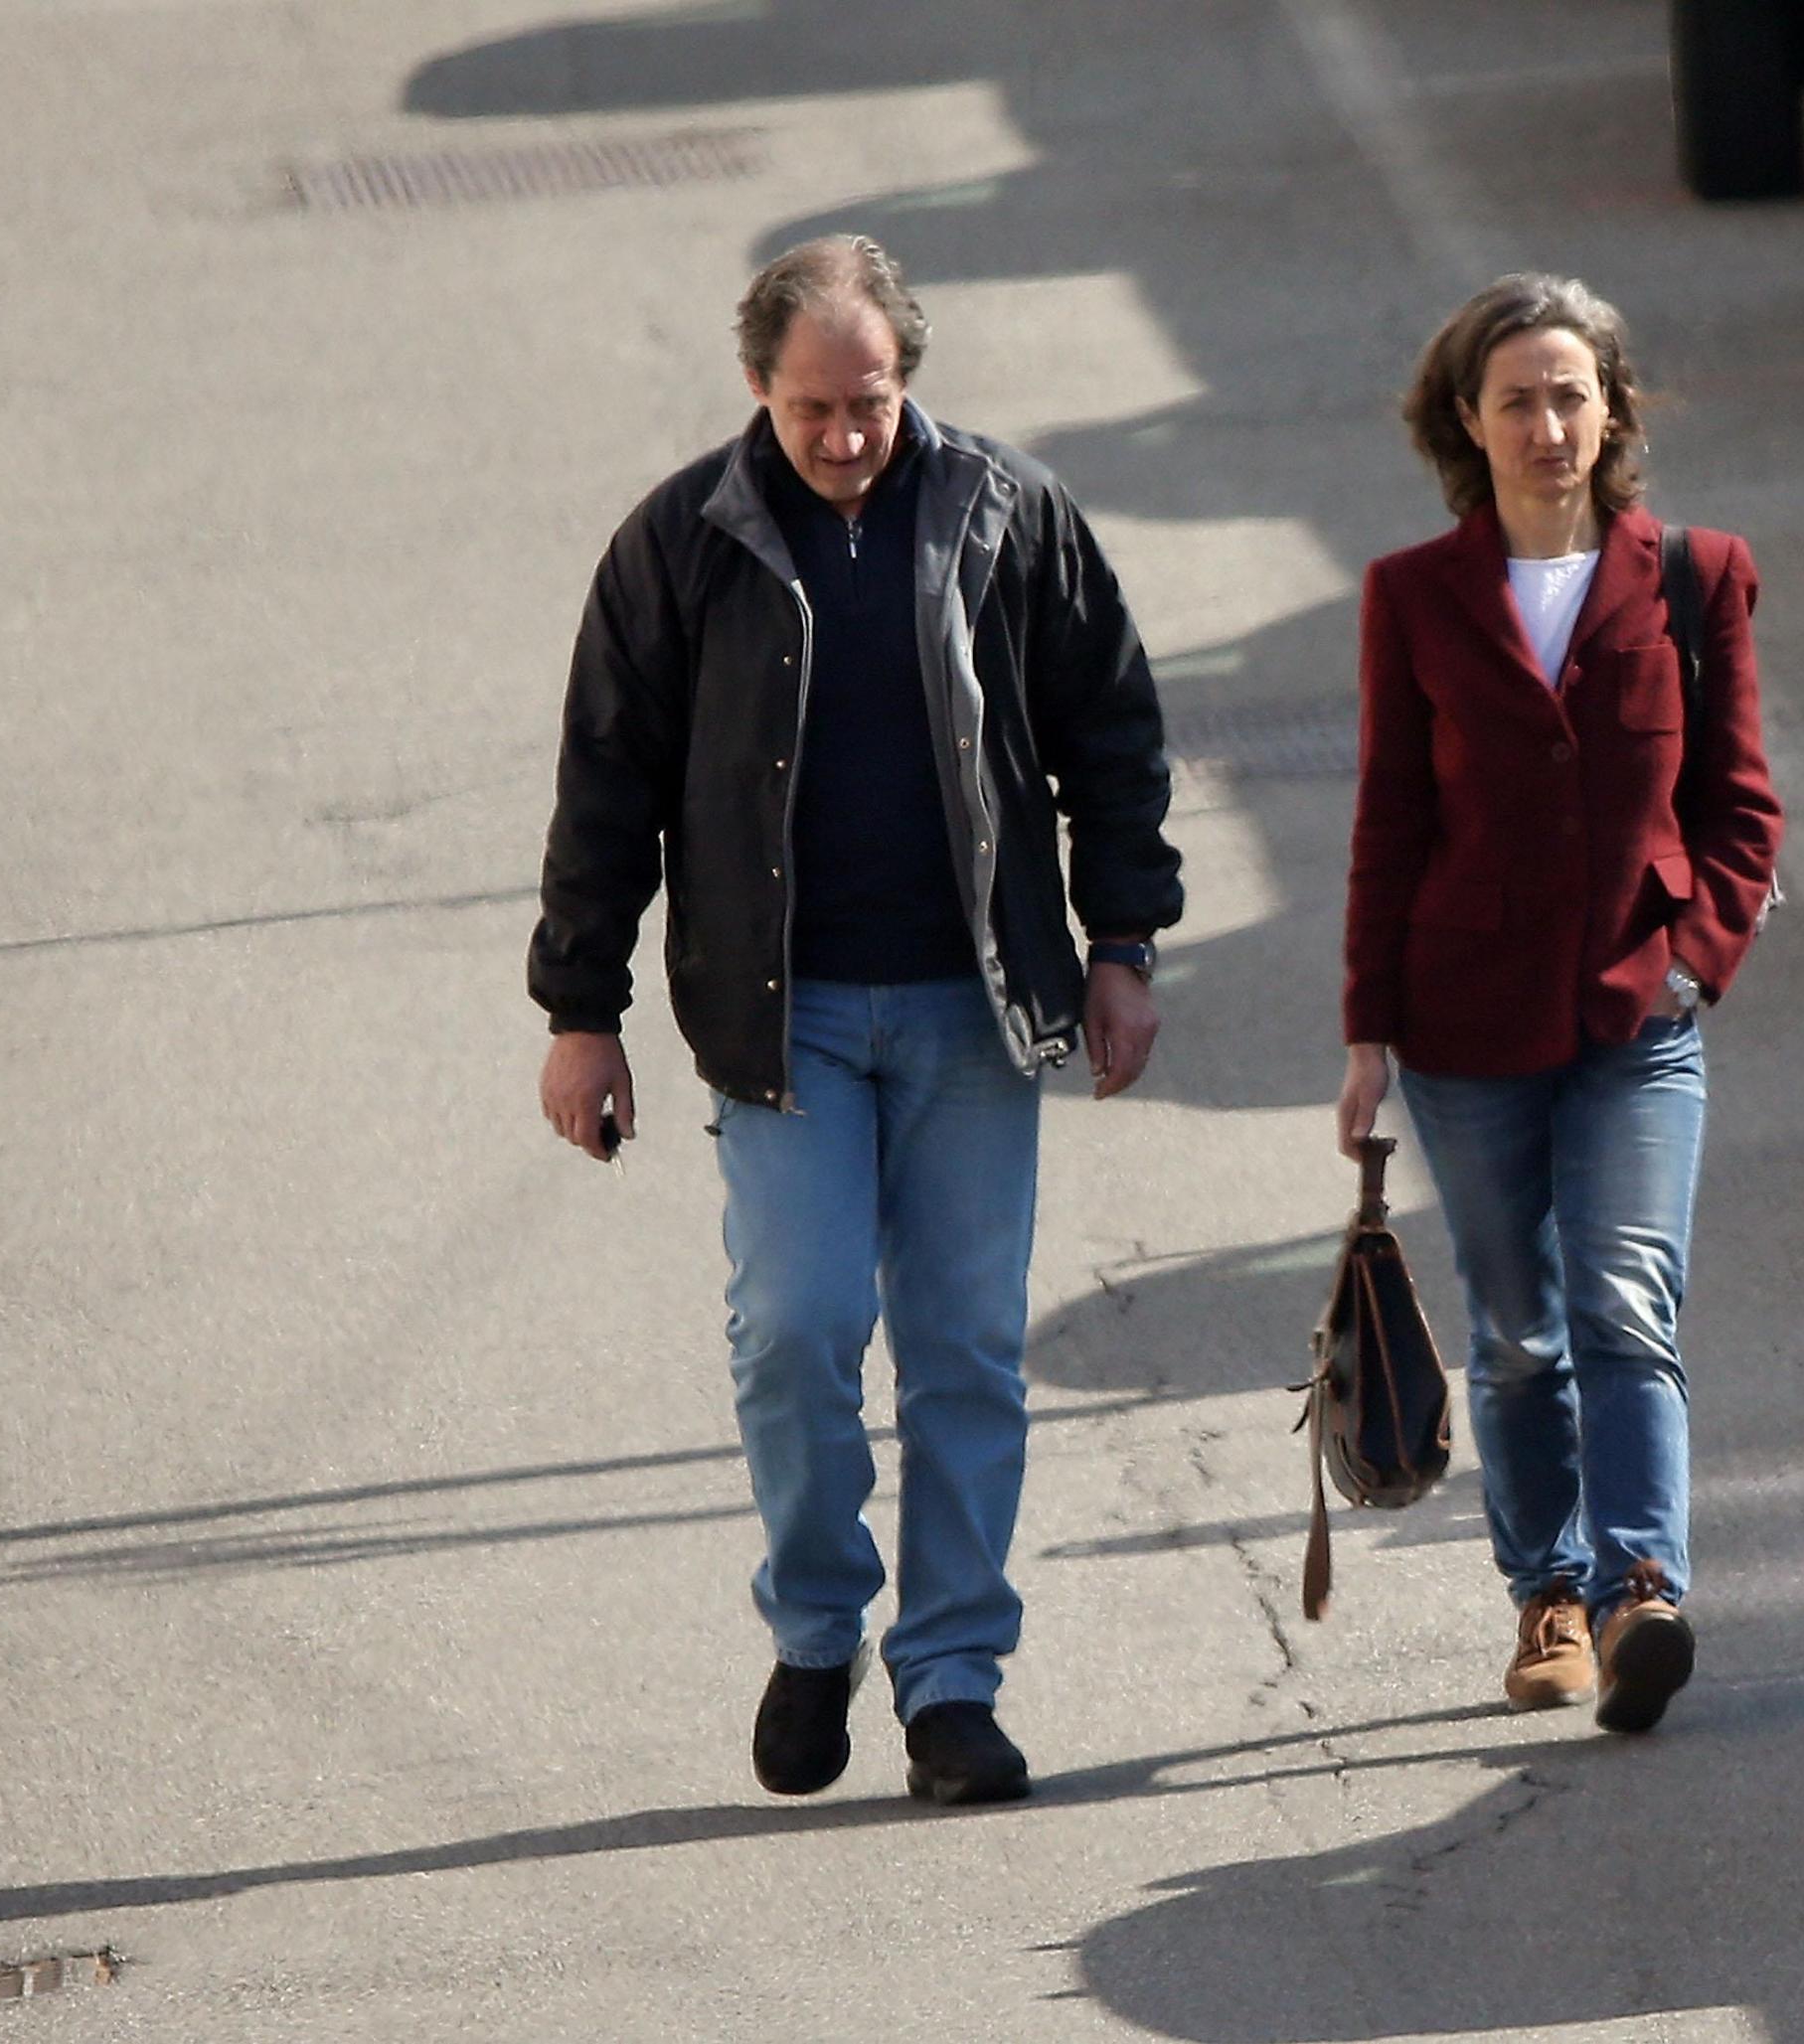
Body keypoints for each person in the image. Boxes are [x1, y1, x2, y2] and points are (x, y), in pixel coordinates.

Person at [530, 235, 1183, 1807]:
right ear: (758, 387)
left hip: (973, 1011)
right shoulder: (682, 543)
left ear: (909, 378)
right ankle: (818, 1627)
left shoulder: (1009, 514)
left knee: (965, 1353)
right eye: (811, 406)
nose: (841, 435)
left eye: (869, 401)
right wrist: (581, 1010)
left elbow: (1112, 732)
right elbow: (607, 782)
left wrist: (1122, 944)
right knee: (798, 1330)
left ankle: (952, 1679)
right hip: (786, 1024)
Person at [1335, 273, 1781, 1734]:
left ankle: (1642, 1583)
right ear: (1467, 422)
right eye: (1517, 400)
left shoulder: (1698, 575)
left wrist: (1695, 954)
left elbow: (1741, 805)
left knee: (1623, 1302)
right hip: (1465, 1030)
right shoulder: (1413, 595)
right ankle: (1550, 1592)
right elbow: (1391, 820)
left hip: (1637, 1018)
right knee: (1521, 1332)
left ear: (1613, 409)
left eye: (1571, 395)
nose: (1548, 425)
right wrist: (1365, 1032)